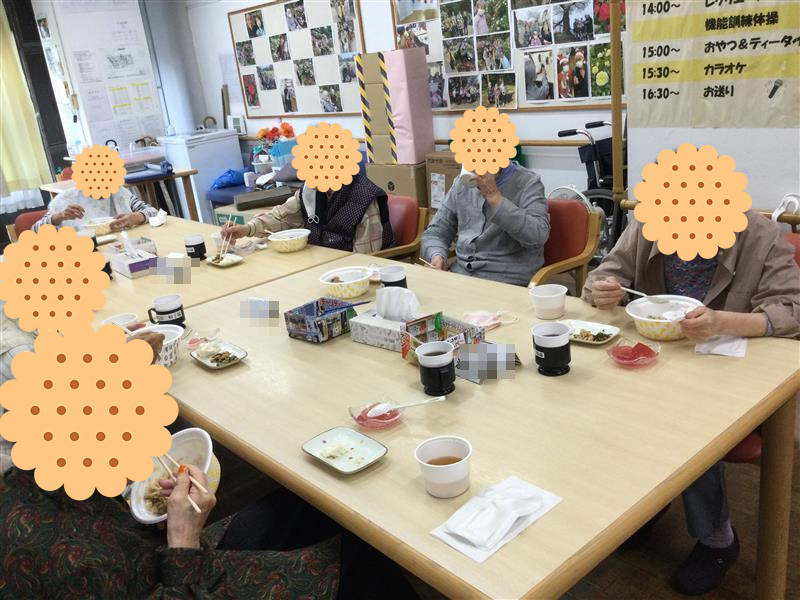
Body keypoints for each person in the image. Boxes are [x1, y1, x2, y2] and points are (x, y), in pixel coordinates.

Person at [582, 211, 800, 595]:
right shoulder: (647, 224)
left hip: (731, 368)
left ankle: (718, 540)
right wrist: (603, 290)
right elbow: (603, 276)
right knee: (606, 402)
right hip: (661, 358)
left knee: (686, 423)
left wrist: (722, 322)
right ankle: (648, 505)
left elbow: (791, 310)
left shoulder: (760, 234)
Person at [0, 464, 419, 599]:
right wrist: (183, 539)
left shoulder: (26, 478)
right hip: (184, 581)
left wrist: (166, 520)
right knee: (364, 551)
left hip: (171, 565)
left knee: (302, 502)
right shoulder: (32, 549)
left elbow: (114, 536)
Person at [421, 162, 550, 286]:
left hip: (507, 281)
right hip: (462, 276)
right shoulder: (460, 183)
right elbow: (436, 233)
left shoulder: (528, 182)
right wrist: (437, 255)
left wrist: (495, 198)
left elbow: (538, 236)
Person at [221, 170, 393, 253]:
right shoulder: (311, 190)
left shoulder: (364, 199)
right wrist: (246, 229)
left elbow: (364, 259)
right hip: (316, 262)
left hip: (347, 273)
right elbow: (281, 217)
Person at [32, 186, 158, 233]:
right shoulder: (65, 199)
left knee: (165, 268)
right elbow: (35, 231)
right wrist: (58, 217)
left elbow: (154, 213)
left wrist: (137, 217)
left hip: (122, 250)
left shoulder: (119, 193)